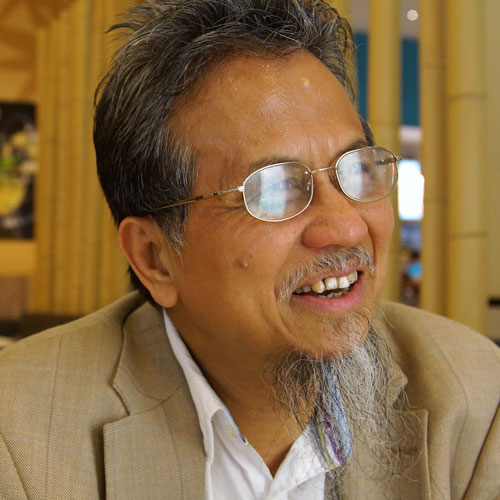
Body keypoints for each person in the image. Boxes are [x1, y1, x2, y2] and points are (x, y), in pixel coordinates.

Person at [1, 1, 499, 498]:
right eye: (275, 189)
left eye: (355, 169)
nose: (348, 227)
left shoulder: (473, 400)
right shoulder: (22, 438)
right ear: (155, 258)